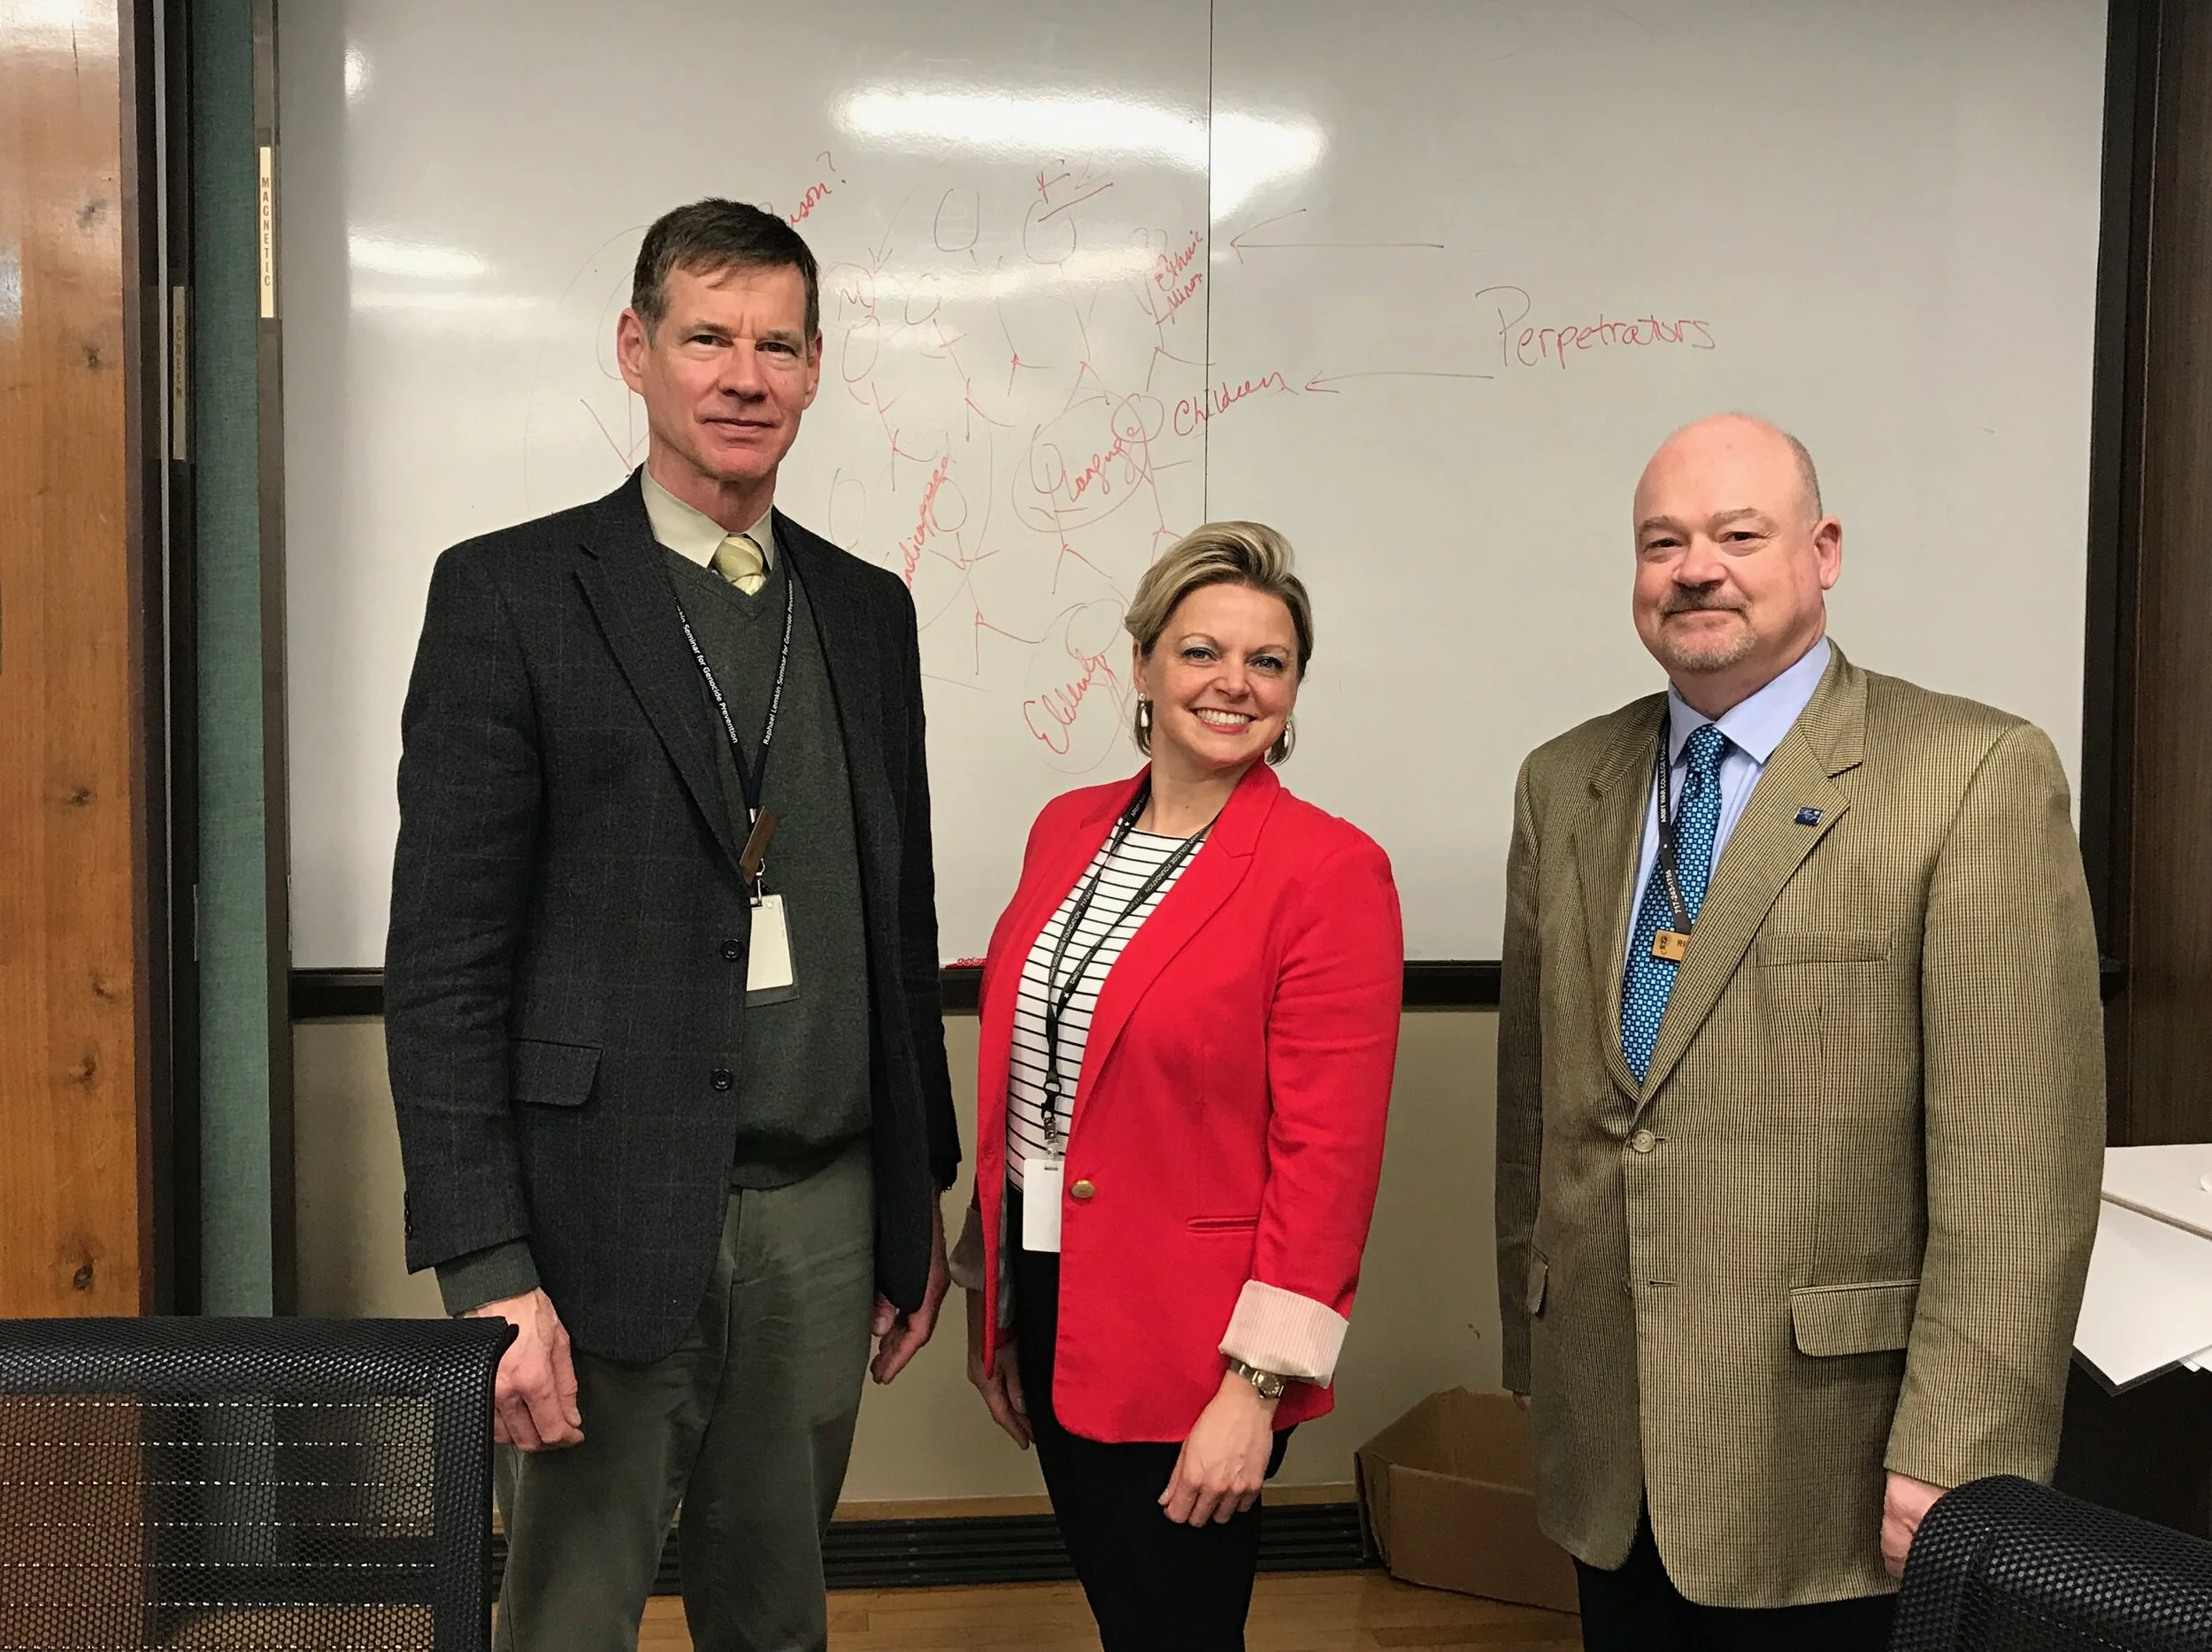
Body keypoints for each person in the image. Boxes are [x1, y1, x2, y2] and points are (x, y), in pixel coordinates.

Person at [385, 198, 957, 1652]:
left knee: (777, 1617)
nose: (743, 377)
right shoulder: (510, 595)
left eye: (778, 344)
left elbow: (898, 925)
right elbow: (446, 966)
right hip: (595, 1220)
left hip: (820, 1216)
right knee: (570, 1620)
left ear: (816, 369)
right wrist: (488, 1266)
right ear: (636, 350)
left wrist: (915, 1204)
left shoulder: (868, 612)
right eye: (708, 338)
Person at [1494, 412, 2104, 1651]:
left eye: (1737, 535)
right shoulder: (1565, 781)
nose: (1694, 570)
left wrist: (1963, 1451)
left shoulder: (1972, 773)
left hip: (1839, 1463)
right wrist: (1535, 1342)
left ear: (1822, 552)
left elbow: (2018, 1164)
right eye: (1661, 542)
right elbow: (1533, 1107)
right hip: (1613, 1443)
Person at [949, 522, 1403, 1651]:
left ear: (1293, 693)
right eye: (1201, 651)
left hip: (1197, 1340)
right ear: (1144, 665)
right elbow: (1032, 1079)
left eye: (1267, 661)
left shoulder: (1329, 871)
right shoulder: (1066, 828)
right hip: (1048, 1292)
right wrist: (994, 1298)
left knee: (1176, 1630)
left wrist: (1256, 1389)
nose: (1232, 683)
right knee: (1126, 1617)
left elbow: (1329, 1163)